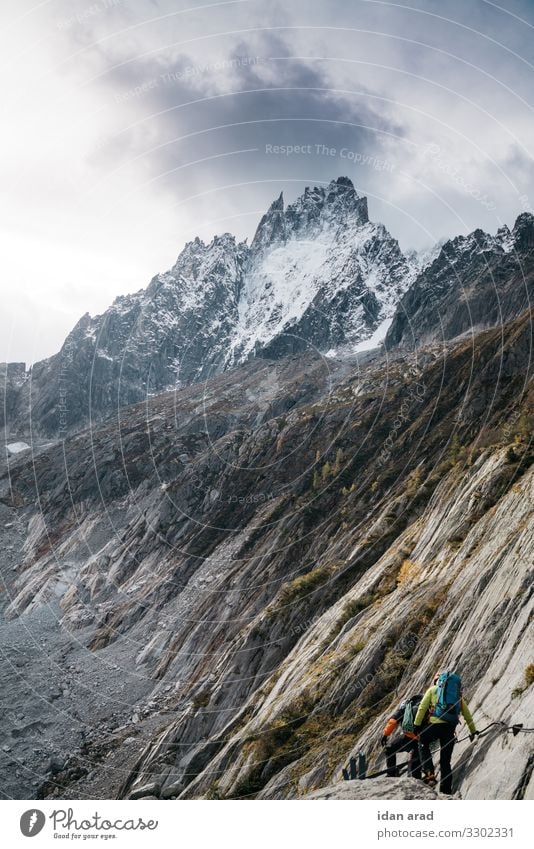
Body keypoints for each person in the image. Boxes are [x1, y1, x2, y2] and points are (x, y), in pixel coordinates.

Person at [414, 671, 478, 795]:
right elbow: (467, 715)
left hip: (433, 725)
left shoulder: (432, 690)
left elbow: (422, 707)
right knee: (445, 761)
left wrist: (416, 725)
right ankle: (446, 791)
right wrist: (473, 731)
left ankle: (429, 775)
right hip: (449, 729)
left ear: (438, 681)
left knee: (423, 742)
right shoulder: (457, 696)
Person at [381, 694, 424, 779]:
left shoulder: (405, 708)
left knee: (389, 748)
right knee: (415, 762)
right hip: (422, 740)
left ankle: (391, 773)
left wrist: (385, 735)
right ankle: (418, 780)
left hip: (408, 738)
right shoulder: (423, 706)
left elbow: (393, 722)